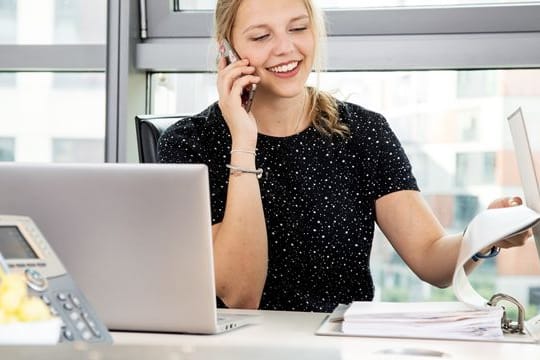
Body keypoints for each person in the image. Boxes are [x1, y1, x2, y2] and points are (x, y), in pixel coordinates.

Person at [158, 0, 532, 312]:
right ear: (227, 49)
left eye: (298, 28)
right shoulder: (190, 144)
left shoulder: (364, 132)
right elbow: (240, 294)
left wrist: (483, 234)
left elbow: (430, 259)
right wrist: (243, 140)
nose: (286, 48)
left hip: (337, 348)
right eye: (261, 36)